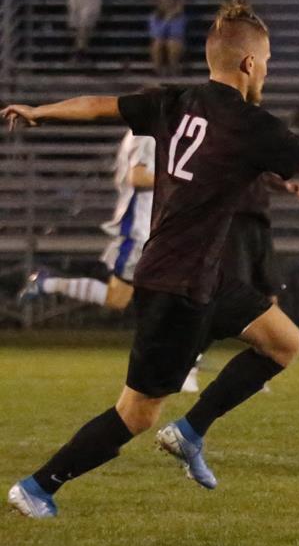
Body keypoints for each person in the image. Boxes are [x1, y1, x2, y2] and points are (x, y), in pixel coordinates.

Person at [4, 0, 299, 519]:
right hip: (178, 285)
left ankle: (192, 431)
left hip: (206, 274)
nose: (266, 69)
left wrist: (40, 110)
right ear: (248, 63)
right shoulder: (252, 123)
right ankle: (38, 487)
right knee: (135, 414)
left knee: (284, 343)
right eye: (265, 60)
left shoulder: (176, 100)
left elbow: (97, 104)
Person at [18, 130, 203, 394]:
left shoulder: (143, 135)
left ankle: (48, 284)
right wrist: (180, 180)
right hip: (141, 233)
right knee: (175, 295)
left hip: (150, 231)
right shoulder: (147, 135)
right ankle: (183, 367)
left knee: (126, 298)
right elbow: (137, 176)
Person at [148, 0, 187, 74]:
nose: (166, 3)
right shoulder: (154, 17)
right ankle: (158, 71)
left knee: (172, 43)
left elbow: (178, 34)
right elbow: (156, 34)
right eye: (163, 1)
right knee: (157, 44)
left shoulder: (181, 16)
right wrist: (167, 19)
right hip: (161, 41)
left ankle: (174, 69)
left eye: (168, 0)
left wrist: (171, 16)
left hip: (176, 43)